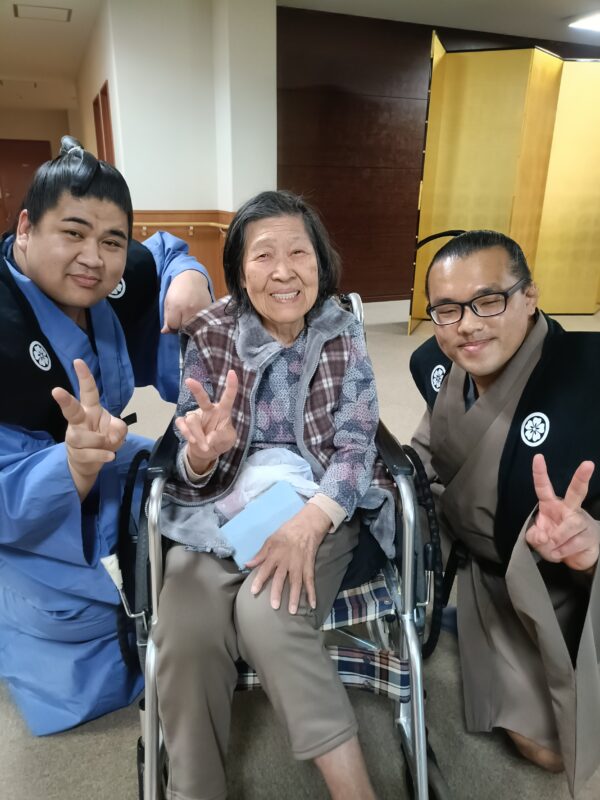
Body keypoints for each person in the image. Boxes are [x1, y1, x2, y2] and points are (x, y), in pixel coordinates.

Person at [155, 190, 396, 800]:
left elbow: (357, 444)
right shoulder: (211, 333)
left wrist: (310, 523)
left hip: (317, 500)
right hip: (220, 507)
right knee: (184, 625)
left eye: (299, 253)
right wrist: (204, 454)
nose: (284, 271)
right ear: (239, 272)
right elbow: (189, 449)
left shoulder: (341, 330)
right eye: (264, 256)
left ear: (321, 261)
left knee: (268, 612)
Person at [0, 136, 213, 735]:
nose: (93, 258)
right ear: (25, 228)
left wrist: (189, 276)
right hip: (31, 500)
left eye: (111, 240)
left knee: (199, 483)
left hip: (106, 447)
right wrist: (70, 466)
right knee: (95, 610)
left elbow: (162, 254)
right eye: (73, 233)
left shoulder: (120, 273)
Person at [409, 230, 600, 796]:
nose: (467, 325)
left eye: (488, 301)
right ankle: (461, 618)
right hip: (478, 569)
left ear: (530, 296)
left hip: (550, 582)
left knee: (556, 749)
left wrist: (589, 544)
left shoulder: (587, 378)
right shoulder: (436, 365)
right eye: (447, 310)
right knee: (541, 747)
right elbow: (433, 448)